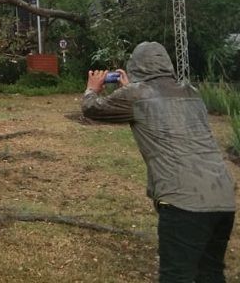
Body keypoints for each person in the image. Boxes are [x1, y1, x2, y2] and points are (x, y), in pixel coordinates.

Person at [81, 41, 236, 282]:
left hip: (183, 201)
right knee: (211, 273)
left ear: (135, 66)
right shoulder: (191, 92)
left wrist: (92, 88)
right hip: (223, 196)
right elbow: (157, 105)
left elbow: (91, 109)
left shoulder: (134, 94)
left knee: (176, 276)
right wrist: (131, 88)